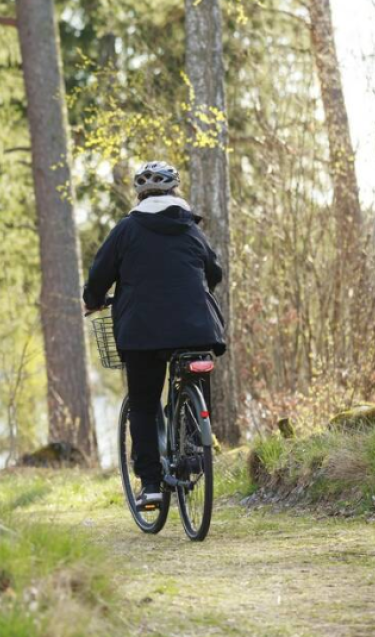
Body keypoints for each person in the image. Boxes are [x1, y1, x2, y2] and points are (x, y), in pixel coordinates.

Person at [83, 161, 226, 508]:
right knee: (195, 377)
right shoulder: (191, 228)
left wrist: (94, 300)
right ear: (174, 191)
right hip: (195, 329)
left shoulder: (126, 229)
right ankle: (193, 453)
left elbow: (100, 274)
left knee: (144, 404)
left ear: (140, 194)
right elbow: (214, 272)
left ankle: (150, 486)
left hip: (142, 332)